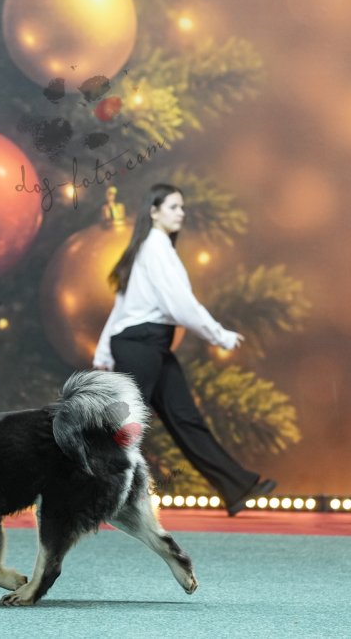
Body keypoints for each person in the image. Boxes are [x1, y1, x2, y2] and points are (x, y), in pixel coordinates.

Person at [93, 183, 276, 517]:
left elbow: (122, 305)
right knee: (123, 428)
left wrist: (104, 351)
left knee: (185, 418)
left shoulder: (154, 248)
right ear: (154, 212)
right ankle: (79, 496)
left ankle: (236, 487)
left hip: (150, 345)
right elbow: (180, 305)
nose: (182, 213)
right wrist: (219, 335)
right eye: (174, 207)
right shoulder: (155, 249)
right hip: (138, 346)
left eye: (182, 207)